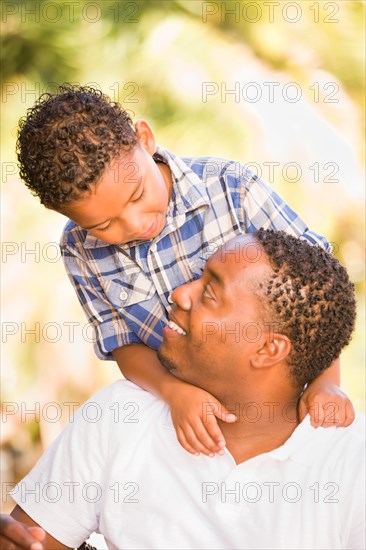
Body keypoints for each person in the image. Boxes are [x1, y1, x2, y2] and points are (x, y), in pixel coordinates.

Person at [16, 85, 354, 457]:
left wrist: (326, 382)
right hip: (180, 415)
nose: (133, 224)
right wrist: (173, 391)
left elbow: (319, 287)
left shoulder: (229, 188)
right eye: (104, 224)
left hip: (271, 412)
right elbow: (122, 342)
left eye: (137, 196)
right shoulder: (79, 249)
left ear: (144, 139)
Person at [1, 230, 363, 550]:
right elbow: (30, 540)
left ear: (267, 349)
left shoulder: (351, 464)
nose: (180, 293)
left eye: (210, 293)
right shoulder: (119, 414)